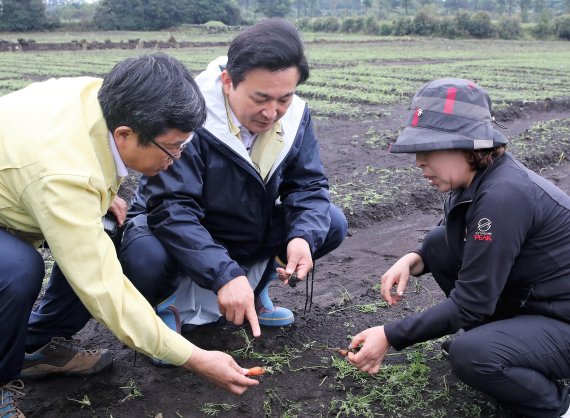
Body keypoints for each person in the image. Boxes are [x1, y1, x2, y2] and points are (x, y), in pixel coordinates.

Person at [0, 53, 260, 418]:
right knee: (16, 268)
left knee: (103, 230)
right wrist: (194, 357)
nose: (178, 159)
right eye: (173, 148)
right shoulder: (64, 176)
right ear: (125, 135)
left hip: (24, 178)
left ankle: (36, 346)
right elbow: (104, 289)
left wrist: (100, 197)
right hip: (32, 182)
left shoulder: (103, 102)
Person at [119, 18, 348, 350]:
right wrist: (224, 273)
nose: (272, 112)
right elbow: (172, 209)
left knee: (330, 222)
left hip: (244, 224)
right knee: (146, 255)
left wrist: (301, 237)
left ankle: (256, 290)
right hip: (182, 230)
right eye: (260, 98)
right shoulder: (190, 116)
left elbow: (308, 185)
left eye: (284, 98)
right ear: (228, 81)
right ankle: (164, 309)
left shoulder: (296, 116)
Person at [347, 78, 570, 418]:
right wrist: (415, 258)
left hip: (562, 320)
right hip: (536, 302)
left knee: (472, 353)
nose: (419, 162)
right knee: (437, 245)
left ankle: (559, 407)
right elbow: (448, 235)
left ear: (469, 147)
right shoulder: (477, 179)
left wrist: (390, 334)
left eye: (429, 149)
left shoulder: (504, 195)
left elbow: (472, 303)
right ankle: (500, 343)